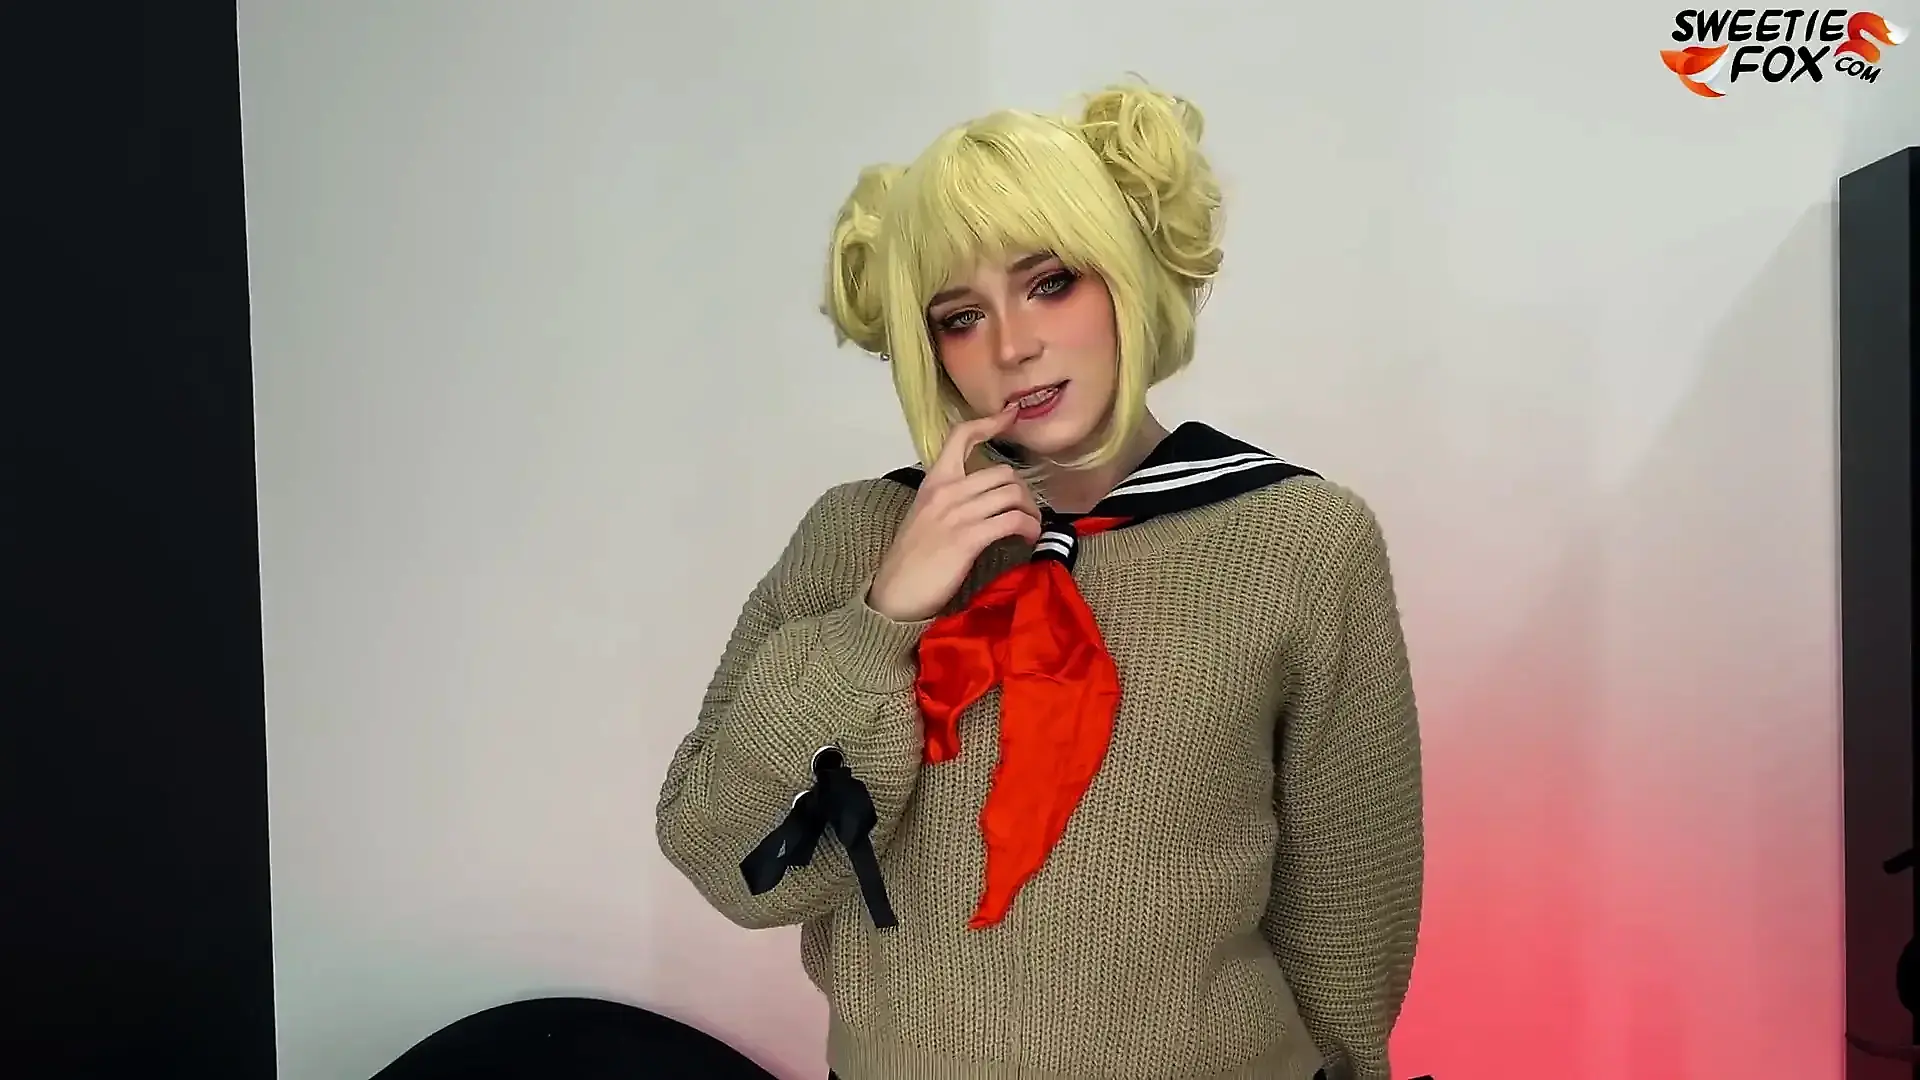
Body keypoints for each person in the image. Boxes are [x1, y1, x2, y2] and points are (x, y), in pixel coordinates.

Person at [654, 81, 1423, 1080]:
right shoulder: (858, 536)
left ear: (1128, 276)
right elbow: (728, 860)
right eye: (961, 316)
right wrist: (884, 617)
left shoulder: (1303, 541)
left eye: (1051, 282)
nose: (1013, 345)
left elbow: (1348, 916)